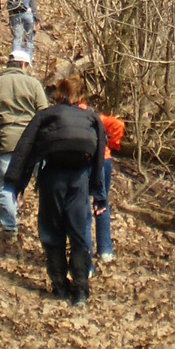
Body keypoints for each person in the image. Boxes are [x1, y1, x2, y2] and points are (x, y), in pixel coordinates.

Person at [0, 72, 105, 306]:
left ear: (60, 94)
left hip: (53, 176)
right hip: (79, 178)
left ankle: (58, 284)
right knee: (79, 234)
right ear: (80, 96)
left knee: (51, 230)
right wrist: (99, 194)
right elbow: (100, 155)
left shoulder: (47, 115)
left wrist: (15, 183)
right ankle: (80, 290)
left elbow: (25, 148)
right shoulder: (91, 118)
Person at [0, 49, 48, 244]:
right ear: (23, 65)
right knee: (44, 186)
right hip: (32, 144)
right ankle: (48, 229)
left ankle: (10, 228)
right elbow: (44, 113)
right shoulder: (34, 84)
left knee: (6, 186)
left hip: (6, 141)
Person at [80, 101, 124, 266]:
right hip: (103, 159)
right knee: (102, 202)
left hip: (83, 161)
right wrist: (112, 144)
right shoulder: (96, 116)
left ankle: (87, 253)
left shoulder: (71, 115)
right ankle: (105, 249)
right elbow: (118, 125)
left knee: (83, 205)